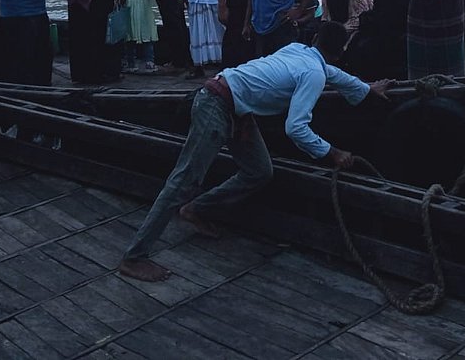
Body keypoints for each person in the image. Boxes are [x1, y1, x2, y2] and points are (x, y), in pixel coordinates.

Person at [118, 21, 391, 282]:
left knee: (259, 171)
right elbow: (296, 128)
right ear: (341, 51)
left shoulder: (297, 50)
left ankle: (195, 210)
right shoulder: (313, 72)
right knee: (183, 181)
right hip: (216, 105)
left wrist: (366, 88)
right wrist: (332, 152)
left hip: (235, 107)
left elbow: (333, 74)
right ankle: (134, 257)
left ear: (315, 40)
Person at [125, 0, 159, 72]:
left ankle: (131, 64)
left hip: (131, 12)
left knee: (130, 38)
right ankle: (149, 62)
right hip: (145, 12)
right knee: (147, 36)